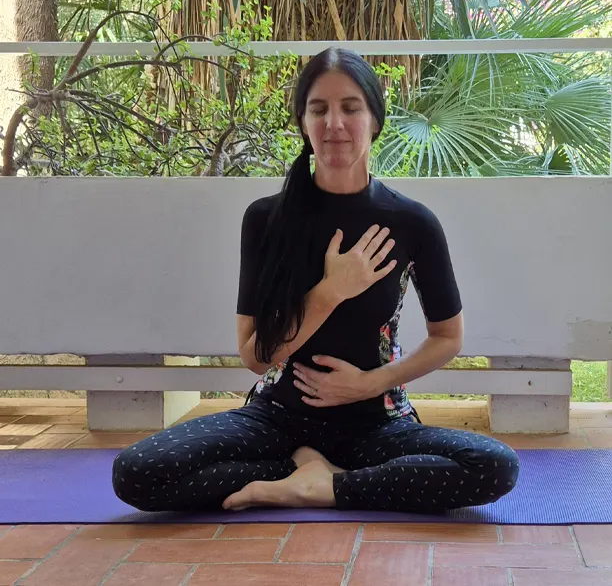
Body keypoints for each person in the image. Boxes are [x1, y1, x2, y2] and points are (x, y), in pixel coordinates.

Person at [112, 47, 519, 515]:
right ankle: (307, 467)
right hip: (278, 421)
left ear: (375, 119)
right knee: (137, 473)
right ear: (303, 122)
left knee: (494, 466)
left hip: (378, 424)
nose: (334, 124)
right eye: (318, 109)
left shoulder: (412, 223)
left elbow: (448, 336)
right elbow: (254, 357)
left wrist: (370, 384)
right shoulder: (266, 220)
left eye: (350, 107)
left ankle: (316, 485)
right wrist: (330, 291)